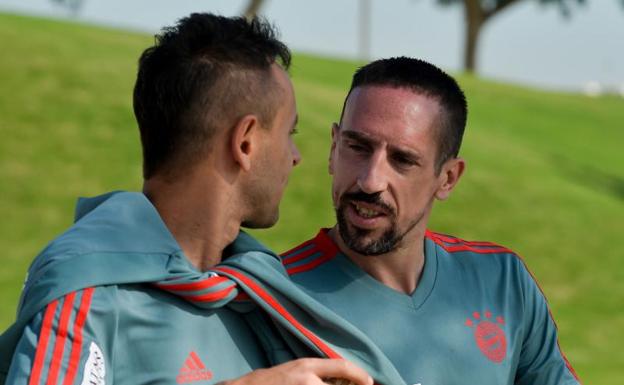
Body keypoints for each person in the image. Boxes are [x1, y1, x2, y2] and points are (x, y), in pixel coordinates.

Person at [0, 13, 379, 385]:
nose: (294, 156)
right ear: (245, 142)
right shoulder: (91, 293)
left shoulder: (265, 298)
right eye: (288, 133)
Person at [281, 57, 582, 385]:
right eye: (357, 147)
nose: (370, 181)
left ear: (448, 178)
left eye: (402, 160)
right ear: (333, 148)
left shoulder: (504, 283)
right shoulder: (276, 296)